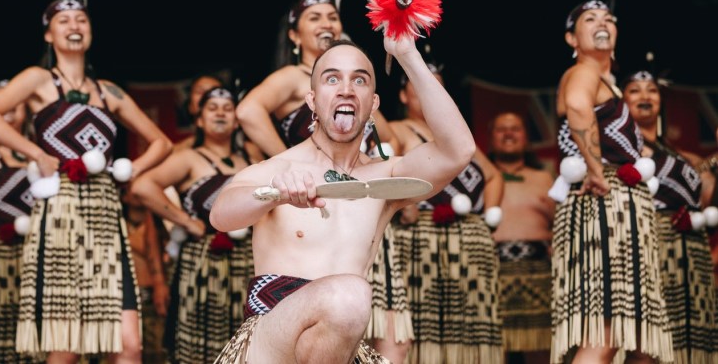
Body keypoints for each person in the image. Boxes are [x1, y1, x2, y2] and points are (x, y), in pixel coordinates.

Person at [209, 38, 476, 363]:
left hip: (338, 345)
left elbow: (458, 151)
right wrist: (274, 194)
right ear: (312, 99)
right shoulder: (279, 168)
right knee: (349, 295)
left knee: (349, 299)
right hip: (271, 336)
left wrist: (407, 55)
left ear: (373, 102)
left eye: (359, 79)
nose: (346, 89)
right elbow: (221, 216)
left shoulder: (386, 178)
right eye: (332, 78)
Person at [0, 0, 173, 362]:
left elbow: (161, 143)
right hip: (59, 217)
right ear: (48, 33)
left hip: (105, 218)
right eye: (64, 21)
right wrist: (36, 153)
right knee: (67, 346)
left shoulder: (108, 92)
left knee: (129, 346)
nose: (75, 26)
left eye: (82, 20)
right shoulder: (38, 79)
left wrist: (132, 169)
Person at [550, 0, 672, 364]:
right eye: (590, 19)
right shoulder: (584, 71)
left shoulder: (605, 80)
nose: (602, 23)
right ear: (572, 38)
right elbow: (576, 107)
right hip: (606, 208)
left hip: (619, 212)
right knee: (605, 333)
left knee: (629, 337)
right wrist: (596, 170)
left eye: (609, 18)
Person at [390, 60, 504, 364]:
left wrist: (489, 217)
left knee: (469, 326)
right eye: (421, 83)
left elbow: (493, 176)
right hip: (422, 241)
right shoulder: (398, 130)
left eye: (437, 84)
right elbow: (384, 163)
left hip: (469, 240)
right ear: (403, 96)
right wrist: (405, 201)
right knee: (424, 328)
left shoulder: (459, 138)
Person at [130, 86, 254, 364]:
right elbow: (142, 186)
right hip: (201, 263)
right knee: (199, 345)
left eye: (227, 108)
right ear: (199, 120)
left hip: (247, 262)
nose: (220, 113)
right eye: (212, 108)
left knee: (246, 339)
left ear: (237, 120)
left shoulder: (251, 161)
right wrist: (185, 221)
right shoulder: (188, 158)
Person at [235, 0, 400, 159]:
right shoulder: (293, 76)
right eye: (314, 18)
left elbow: (390, 139)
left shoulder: (351, 85)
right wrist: (288, 162)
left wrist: (375, 168)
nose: (327, 24)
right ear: (295, 35)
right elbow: (247, 111)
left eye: (333, 17)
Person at [622, 70, 718, 363]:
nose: (645, 96)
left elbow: (709, 202)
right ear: (622, 101)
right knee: (648, 339)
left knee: (688, 340)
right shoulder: (618, 149)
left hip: (691, 252)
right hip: (646, 247)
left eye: (651, 90)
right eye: (635, 90)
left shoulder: (684, 156)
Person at [487, 111, 555, 364]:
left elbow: (559, 224)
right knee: (494, 348)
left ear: (526, 138)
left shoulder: (544, 178)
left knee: (540, 346)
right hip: (491, 272)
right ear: (490, 137)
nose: (508, 134)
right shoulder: (479, 178)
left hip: (538, 272)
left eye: (515, 129)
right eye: (501, 129)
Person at [0, 80, 38, 364]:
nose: (7, 111)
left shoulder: (35, 150)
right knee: (0, 329)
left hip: (37, 255)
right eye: (0, 104)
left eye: (13, 105)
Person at [122, 201, 170, 364]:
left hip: (149, 291)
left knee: (153, 349)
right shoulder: (118, 218)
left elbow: (158, 253)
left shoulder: (152, 219)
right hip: (125, 292)